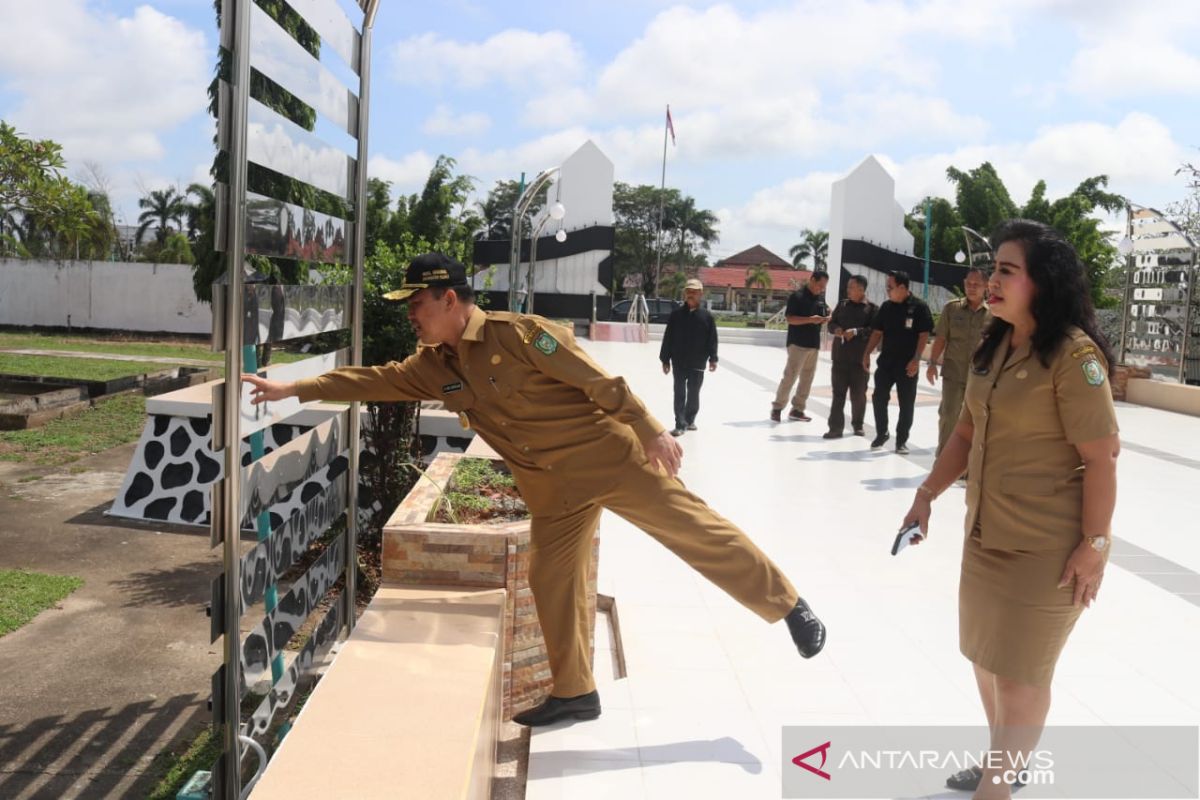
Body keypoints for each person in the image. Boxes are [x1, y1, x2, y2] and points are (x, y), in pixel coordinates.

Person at [241, 253, 827, 727]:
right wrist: (294, 388)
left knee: (697, 534)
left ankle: (789, 606)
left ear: (449, 299)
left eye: (417, 304)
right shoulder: (432, 364)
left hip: (612, 462)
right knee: (549, 579)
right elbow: (374, 380)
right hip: (553, 493)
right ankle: (576, 693)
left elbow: (601, 382)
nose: (411, 315)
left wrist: (651, 429)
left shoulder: (520, 336)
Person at [899, 220, 1119, 797]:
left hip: (1048, 548)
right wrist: (926, 496)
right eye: (992, 269)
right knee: (987, 659)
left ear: (1041, 283)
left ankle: (995, 787)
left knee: (1021, 676)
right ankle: (1005, 763)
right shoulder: (994, 343)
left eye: (1005, 271)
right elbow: (967, 433)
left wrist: (1094, 547)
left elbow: (1103, 458)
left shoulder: (1074, 355)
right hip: (986, 535)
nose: (990, 280)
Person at [861, 270, 932, 455]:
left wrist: (916, 360)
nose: (887, 290)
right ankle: (882, 432)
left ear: (902, 288)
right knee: (878, 397)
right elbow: (877, 332)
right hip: (886, 363)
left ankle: (901, 441)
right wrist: (867, 353)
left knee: (906, 403)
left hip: (908, 364)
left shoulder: (919, 307)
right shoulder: (886, 307)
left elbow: (924, 335)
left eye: (889, 287)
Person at [927, 268, 990, 455]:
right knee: (949, 415)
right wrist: (931, 364)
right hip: (953, 373)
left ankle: (968, 464)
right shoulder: (951, 308)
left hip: (980, 376)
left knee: (977, 418)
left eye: (976, 284)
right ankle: (943, 458)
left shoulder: (994, 314)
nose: (971, 288)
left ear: (986, 286)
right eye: (968, 284)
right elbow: (941, 339)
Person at [770, 270, 831, 422]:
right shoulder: (797, 297)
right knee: (790, 376)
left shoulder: (820, 299)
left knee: (807, 379)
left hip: (813, 344)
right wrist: (811, 320)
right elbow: (790, 319)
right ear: (812, 280)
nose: (821, 289)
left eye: (824, 286)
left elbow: (825, 313)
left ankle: (798, 409)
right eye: (820, 285)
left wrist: (826, 317)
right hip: (798, 343)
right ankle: (777, 407)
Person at [660, 278, 718, 436]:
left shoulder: (707, 317)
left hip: (698, 362)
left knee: (693, 393)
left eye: (694, 292)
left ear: (701, 294)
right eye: (688, 292)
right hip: (678, 361)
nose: (690, 295)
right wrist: (665, 359)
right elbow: (668, 337)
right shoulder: (676, 315)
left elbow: (712, 339)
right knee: (679, 393)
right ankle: (680, 423)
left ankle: (690, 419)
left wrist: (713, 358)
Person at [824, 274, 877, 439]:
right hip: (840, 358)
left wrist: (856, 332)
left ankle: (858, 425)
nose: (848, 290)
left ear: (861, 289)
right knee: (838, 394)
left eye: (851, 287)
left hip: (860, 360)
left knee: (858, 395)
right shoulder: (842, 305)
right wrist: (837, 329)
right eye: (848, 287)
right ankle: (835, 428)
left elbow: (875, 331)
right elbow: (831, 324)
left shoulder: (872, 309)